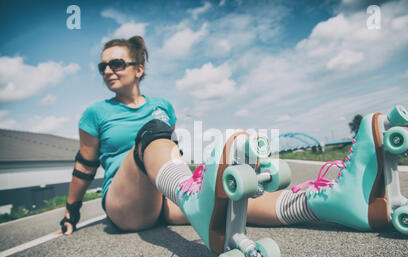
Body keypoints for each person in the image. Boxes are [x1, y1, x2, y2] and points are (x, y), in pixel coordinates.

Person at [58, 36, 310, 236]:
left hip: (166, 198)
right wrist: (71, 212)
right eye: (103, 66)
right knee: (152, 132)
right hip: (126, 205)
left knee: (235, 203)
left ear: (138, 69)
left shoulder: (164, 106)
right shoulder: (95, 113)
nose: (108, 71)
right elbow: (85, 166)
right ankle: (193, 198)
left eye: (116, 64)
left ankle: (321, 202)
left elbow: (169, 153)